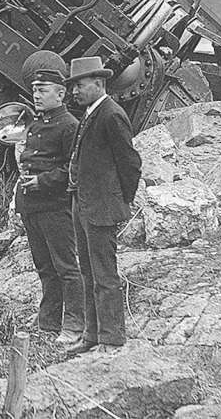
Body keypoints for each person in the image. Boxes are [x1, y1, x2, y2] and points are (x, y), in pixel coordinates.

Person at [64, 56, 142, 355]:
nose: (74, 92)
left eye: (80, 86)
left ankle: (112, 338)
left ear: (99, 84)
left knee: (105, 275)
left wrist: (121, 200)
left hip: (101, 207)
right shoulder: (90, 113)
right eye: (73, 87)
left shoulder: (111, 115)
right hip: (83, 203)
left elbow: (131, 163)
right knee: (88, 272)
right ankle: (92, 334)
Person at [14, 51, 84, 346]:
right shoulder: (37, 122)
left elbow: (74, 169)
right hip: (32, 207)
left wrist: (42, 180)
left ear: (61, 94)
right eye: (34, 91)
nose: (36, 96)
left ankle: (74, 325)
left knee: (67, 268)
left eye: (42, 91)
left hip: (55, 207)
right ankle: (48, 323)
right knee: (45, 268)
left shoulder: (69, 125)